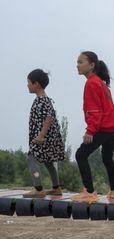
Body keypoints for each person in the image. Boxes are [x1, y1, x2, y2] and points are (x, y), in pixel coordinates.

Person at [71, 51, 114, 203]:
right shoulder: (100, 82)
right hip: (113, 128)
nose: (77, 65)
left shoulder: (92, 83)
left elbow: (95, 111)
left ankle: (89, 192)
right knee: (107, 157)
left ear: (92, 65)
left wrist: (90, 131)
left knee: (80, 155)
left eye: (81, 62)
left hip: (104, 127)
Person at [22, 69, 65, 198]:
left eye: (29, 82)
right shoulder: (44, 100)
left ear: (36, 84)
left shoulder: (42, 100)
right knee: (48, 160)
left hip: (44, 137)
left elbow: (48, 117)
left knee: (31, 158)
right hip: (48, 137)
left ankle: (38, 189)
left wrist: (41, 135)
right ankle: (56, 188)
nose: (27, 85)